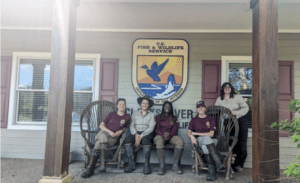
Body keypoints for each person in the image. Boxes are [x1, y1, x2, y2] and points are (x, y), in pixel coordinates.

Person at [81, 98, 131, 178]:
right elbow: (101, 125)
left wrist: (120, 131)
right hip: (103, 133)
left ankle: (90, 169)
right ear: (117, 106)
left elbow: (125, 127)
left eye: (123, 104)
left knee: (99, 144)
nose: (122, 106)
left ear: (125, 106)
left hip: (113, 138)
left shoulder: (127, 117)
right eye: (120, 104)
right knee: (103, 138)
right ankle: (102, 164)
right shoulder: (112, 114)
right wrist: (109, 131)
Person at [214, 82, 249, 172]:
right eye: (225, 87)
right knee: (230, 141)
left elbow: (246, 108)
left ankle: (239, 164)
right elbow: (216, 110)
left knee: (241, 141)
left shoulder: (237, 97)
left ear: (231, 88)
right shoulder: (219, 99)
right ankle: (229, 163)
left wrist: (236, 113)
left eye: (229, 87)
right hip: (228, 122)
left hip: (240, 119)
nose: (227, 88)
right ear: (222, 89)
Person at [187, 101, 226, 181]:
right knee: (206, 139)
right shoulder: (194, 120)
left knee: (206, 144)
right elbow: (188, 131)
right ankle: (218, 163)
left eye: (202, 107)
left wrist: (195, 133)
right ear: (197, 109)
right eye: (198, 107)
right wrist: (191, 136)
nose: (200, 108)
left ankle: (212, 173)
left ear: (205, 108)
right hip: (199, 140)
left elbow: (211, 134)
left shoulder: (211, 119)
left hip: (212, 141)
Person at [123, 95, 156, 174]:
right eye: (143, 103)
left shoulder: (151, 115)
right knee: (127, 139)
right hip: (136, 133)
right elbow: (131, 125)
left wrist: (140, 136)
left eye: (146, 103)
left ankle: (146, 165)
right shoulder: (135, 114)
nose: (145, 105)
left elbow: (151, 128)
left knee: (146, 140)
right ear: (141, 104)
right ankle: (131, 164)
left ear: (149, 105)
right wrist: (136, 134)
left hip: (146, 133)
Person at [154, 101, 185, 175]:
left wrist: (169, 135)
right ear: (163, 108)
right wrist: (162, 134)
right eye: (165, 106)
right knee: (159, 141)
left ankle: (175, 165)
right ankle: (162, 166)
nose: (167, 108)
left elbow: (175, 129)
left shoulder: (173, 118)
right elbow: (156, 129)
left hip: (170, 136)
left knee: (180, 141)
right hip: (160, 136)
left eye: (169, 107)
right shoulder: (159, 117)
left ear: (171, 108)